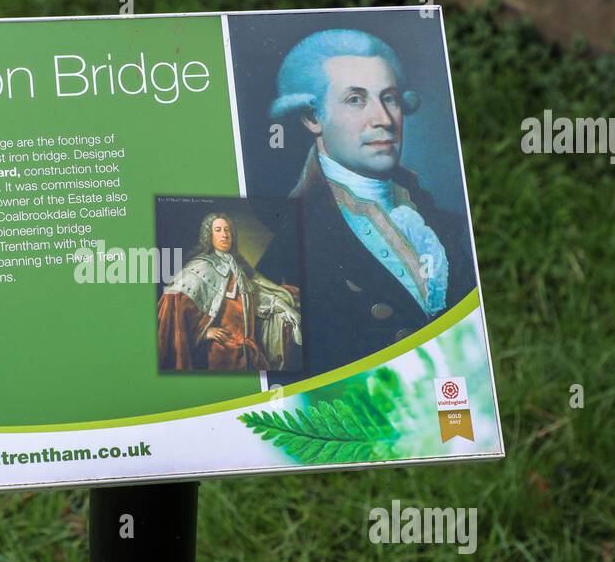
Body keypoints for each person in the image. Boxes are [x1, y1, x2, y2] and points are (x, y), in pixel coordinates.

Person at [258, 29, 474, 380]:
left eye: (388, 98)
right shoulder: (293, 244)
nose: (384, 120)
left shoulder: (430, 216)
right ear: (313, 118)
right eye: (356, 100)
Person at [157, 212, 301, 372]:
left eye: (228, 230)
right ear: (209, 235)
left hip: (247, 353)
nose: (224, 235)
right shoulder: (200, 267)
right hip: (220, 354)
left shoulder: (236, 267)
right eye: (218, 230)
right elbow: (172, 315)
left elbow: (257, 298)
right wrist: (203, 333)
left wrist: (286, 308)